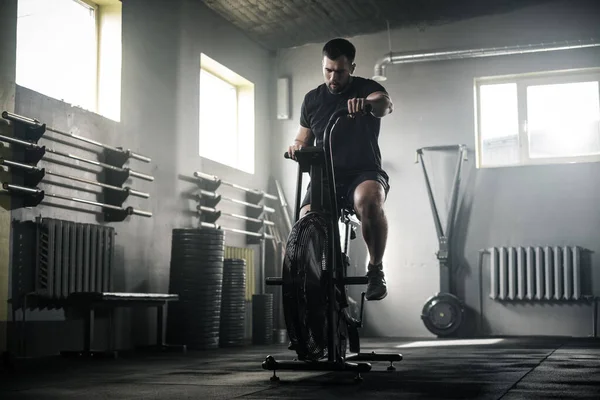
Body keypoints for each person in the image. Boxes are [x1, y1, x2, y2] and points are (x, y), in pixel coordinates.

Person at [287, 38, 393, 301]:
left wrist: (367, 104)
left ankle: (375, 269)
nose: (333, 77)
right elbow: (303, 138)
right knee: (306, 220)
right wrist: (296, 147)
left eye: (341, 71)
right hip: (325, 176)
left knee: (368, 201)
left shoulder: (367, 88)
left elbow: (384, 104)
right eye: (328, 70)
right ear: (323, 66)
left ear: (352, 68)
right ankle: (318, 281)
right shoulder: (312, 99)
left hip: (363, 172)